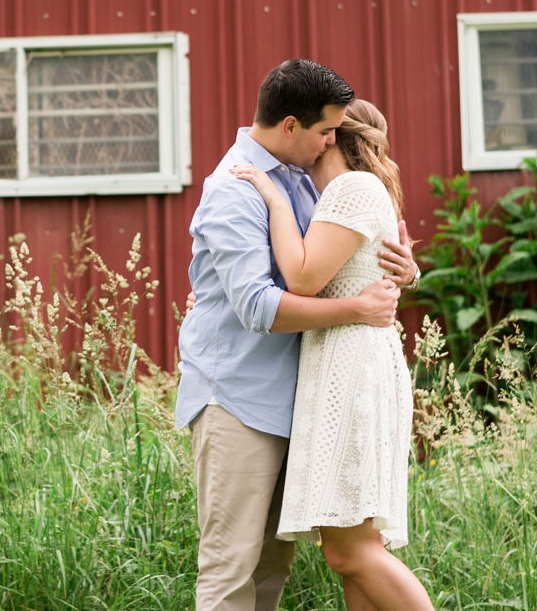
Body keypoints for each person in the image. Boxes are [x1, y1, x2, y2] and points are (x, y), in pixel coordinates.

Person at [175, 59, 419, 611]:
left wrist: (402, 269)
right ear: (291, 125)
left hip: (299, 399)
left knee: (269, 571)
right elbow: (260, 302)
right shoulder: (236, 187)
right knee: (230, 568)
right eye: (326, 130)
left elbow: (342, 257)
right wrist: (358, 307)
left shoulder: (304, 180)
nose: (335, 138)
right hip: (238, 398)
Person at [231, 99, 433, 610]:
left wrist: (274, 202)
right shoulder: (341, 192)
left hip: (352, 364)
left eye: (321, 130)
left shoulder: (350, 189)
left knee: (352, 550)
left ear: (334, 135)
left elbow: (302, 277)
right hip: (346, 358)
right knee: (350, 550)